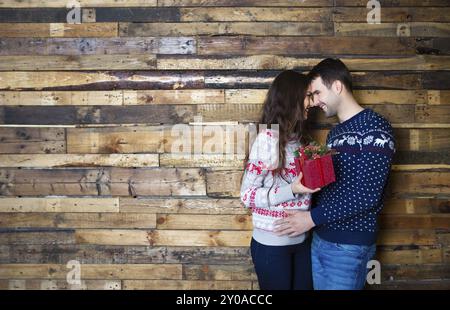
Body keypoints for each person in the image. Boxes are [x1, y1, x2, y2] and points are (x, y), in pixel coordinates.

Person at [274, 58, 396, 290]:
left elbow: (366, 196)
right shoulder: (336, 133)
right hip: (320, 239)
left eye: (318, 92)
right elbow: (332, 187)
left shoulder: (376, 128)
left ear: (337, 86)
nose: (315, 101)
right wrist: (300, 209)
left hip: (348, 247)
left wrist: (309, 219)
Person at [240, 70, 321, 290]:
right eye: (308, 96)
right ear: (291, 98)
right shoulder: (267, 141)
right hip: (272, 246)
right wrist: (292, 189)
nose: (312, 103)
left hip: (302, 243)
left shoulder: (301, 142)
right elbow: (247, 196)